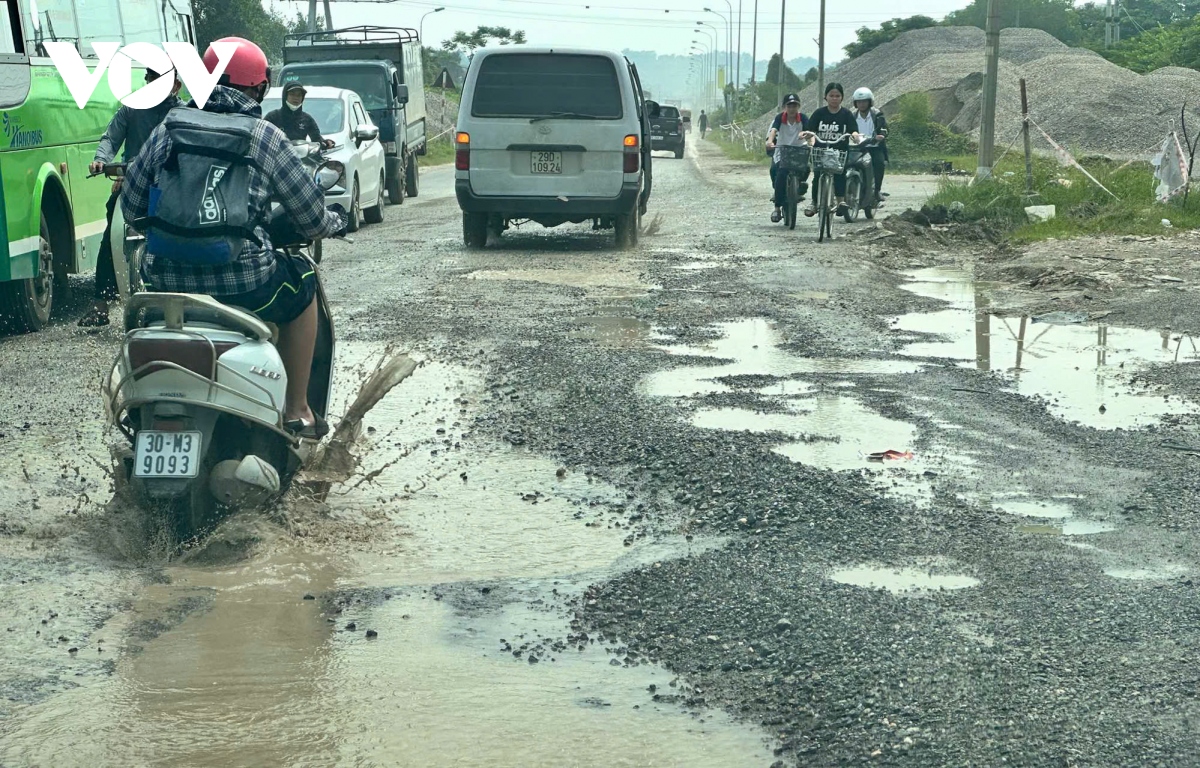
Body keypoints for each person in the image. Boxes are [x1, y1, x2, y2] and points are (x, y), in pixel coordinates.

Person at [122, 37, 345, 439]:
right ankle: (297, 410)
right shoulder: (264, 136)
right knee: (304, 282)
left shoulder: (166, 129)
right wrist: (334, 222)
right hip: (246, 284)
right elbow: (310, 217)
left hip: (167, 284)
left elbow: (131, 204)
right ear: (259, 88)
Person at [79, 69, 183, 327]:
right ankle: (100, 304)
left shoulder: (184, 114)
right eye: (151, 80)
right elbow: (110, 138)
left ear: (177, 86)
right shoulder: (131, 109)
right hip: (132, 183)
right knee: (110, 233)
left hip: (170, 186)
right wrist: (101, 160)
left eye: (162, 81)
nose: (154, 85)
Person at [803, 82, 860, 218]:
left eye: (837, 96)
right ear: (826, 97)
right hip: (820, 151)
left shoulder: (846, 114)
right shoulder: (819, 113)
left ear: (842, 97)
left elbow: (853, 129)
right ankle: (814, 202)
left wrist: (855, 135)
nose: (834, 98)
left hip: (839, 151)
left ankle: (840, 201)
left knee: (839, 174)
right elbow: (811, 129)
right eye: (831, 95)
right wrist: (808, 135)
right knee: (817, 175)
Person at [766, 93, 809, 223]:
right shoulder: (780, 118)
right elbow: (773, 130)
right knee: (777, 171)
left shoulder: (803, 118)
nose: (792, 109)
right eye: (789, 106)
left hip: (798, 151)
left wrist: (810, 140)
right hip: (782, 151)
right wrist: (770, 141)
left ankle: (799, 185)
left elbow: (808, 131)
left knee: (806, 169)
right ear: (785, 107)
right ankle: (777, 208)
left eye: (794, 105)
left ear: (798, 106)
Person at [264, 82, 335, 149]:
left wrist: (326, 143)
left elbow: (317, 139)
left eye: (299, 95)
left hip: (301, 159)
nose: (296, 98)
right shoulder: (272, 117)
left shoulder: (307, 119)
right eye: (292, 94)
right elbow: (261, 138)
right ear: (285, 96)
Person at [851, 87, 889, 205]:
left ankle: (877, 190)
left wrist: (881, 135)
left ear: (870, 102)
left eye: (864, 101)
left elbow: (884, 128)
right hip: (857, 147)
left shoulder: (877, 114)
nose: (862, 104)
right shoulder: (852, 115)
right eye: (859, 102)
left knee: (878, 163)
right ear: (855, 103)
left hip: (874, 147)